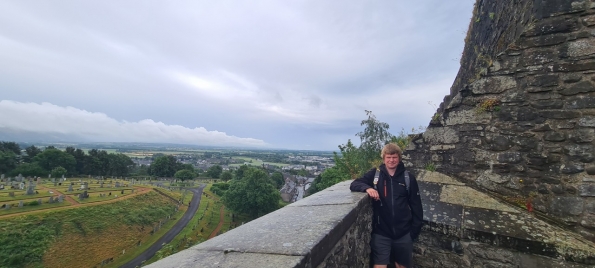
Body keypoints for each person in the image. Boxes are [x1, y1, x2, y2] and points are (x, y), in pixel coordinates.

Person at [350, 143, 423, 268]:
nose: (391, 160)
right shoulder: (375, 175)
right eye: (388, 157)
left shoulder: (408, 178)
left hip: (404, 233)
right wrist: (368, 188)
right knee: (379, 266)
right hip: (381, 232)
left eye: (394, 157)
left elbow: (417, 206)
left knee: (401, 265)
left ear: (399, 158)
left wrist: (413, 233)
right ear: (383, 158)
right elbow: (355, 184)